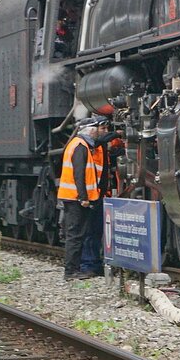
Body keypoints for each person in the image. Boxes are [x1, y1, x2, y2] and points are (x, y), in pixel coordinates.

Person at [58, 115, 115, 279]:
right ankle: (71, 271)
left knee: (78, 234)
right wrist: (83, 197)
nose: (100, 133)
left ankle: (75, 269)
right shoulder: (80, 146)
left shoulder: (81, 145)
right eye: (99, 129)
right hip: (75, 198)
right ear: (90, 130)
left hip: (77, 197)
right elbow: (79, 174)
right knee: (75, 235)